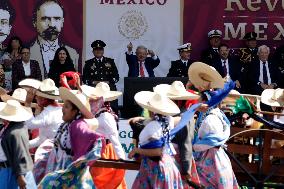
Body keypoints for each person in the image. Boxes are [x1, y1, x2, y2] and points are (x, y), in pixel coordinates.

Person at [188, 62, 239, 188]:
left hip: (210, 161)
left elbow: (207, 142)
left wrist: (193, 149)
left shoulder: (211, 119)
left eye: (198, 100)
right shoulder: (210, 114)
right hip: (214, 158)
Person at [40, 86, 103, 184]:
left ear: (74, 112)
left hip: (69, 176)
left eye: (66, 107)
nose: (62, 109)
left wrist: (98, 140)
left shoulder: (77, 125)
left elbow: (92, 136)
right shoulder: (66, 125)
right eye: (63, 106)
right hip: (60, 171)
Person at [128, 91, 184, 188]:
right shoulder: (168, 120)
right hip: (168, 163)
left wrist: (136, 150)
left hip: (155, 167)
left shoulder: (153, 126)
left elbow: (158, 151)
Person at [81, 82, 127, 189]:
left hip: (105, 151)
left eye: (94, 99)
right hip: (96, 150)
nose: (91, 101)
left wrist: (122, 160)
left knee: (102, 182)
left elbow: (114, 138)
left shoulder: (106, 116)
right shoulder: (98, 113)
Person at [24, 78, 63, 183]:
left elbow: (29, 124)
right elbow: (41, 140)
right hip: (55, 153)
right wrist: (23, 146)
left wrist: (27, 103)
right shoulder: (54, 109)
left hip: (52, 155)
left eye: (38, 96)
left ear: (44, 99)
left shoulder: (49, 112)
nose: (36, 98)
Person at [30, 0, 79, 79]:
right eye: (45, 18)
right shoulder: (27, 52)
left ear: (62, 22)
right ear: (34, 22)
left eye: (57, 18)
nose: (52, 24)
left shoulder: (73, 54)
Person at [0, 100, 37, 189]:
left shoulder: (16, 133)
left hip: (13, 172)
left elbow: (20, 153)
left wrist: (20, 175)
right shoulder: (12, 127)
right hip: (9, 170)